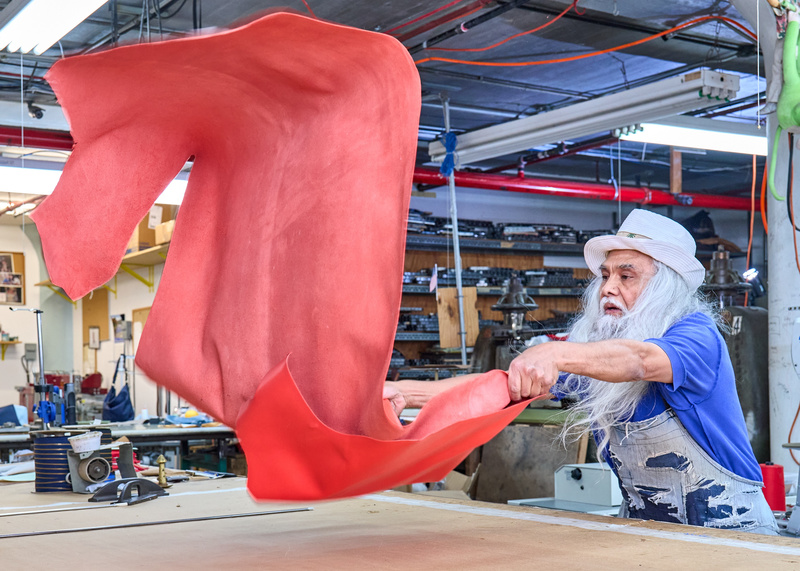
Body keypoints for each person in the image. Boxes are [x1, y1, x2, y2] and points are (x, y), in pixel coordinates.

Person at [385, 209, 778, 535]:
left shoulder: (696, 335)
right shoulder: (594, 357)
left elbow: (641, 361)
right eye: (605, 275)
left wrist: (556, 352)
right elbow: (499, 387)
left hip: (732, 535)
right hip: (650, 534)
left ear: (666, 288)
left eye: (626, 276)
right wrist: (401, 391)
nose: (608, 287)